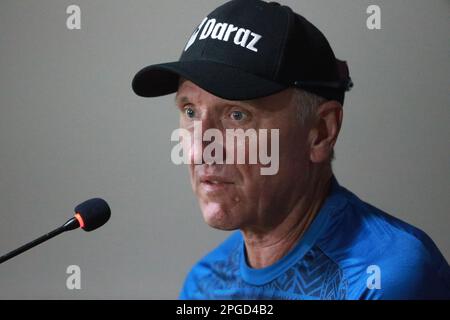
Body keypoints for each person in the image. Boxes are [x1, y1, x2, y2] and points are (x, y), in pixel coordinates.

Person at [132, 0, 450, 299]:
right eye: (190, 112)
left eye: (237, 115)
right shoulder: (204, 282)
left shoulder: (383, 278)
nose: (199, 150)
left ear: (321, 132)